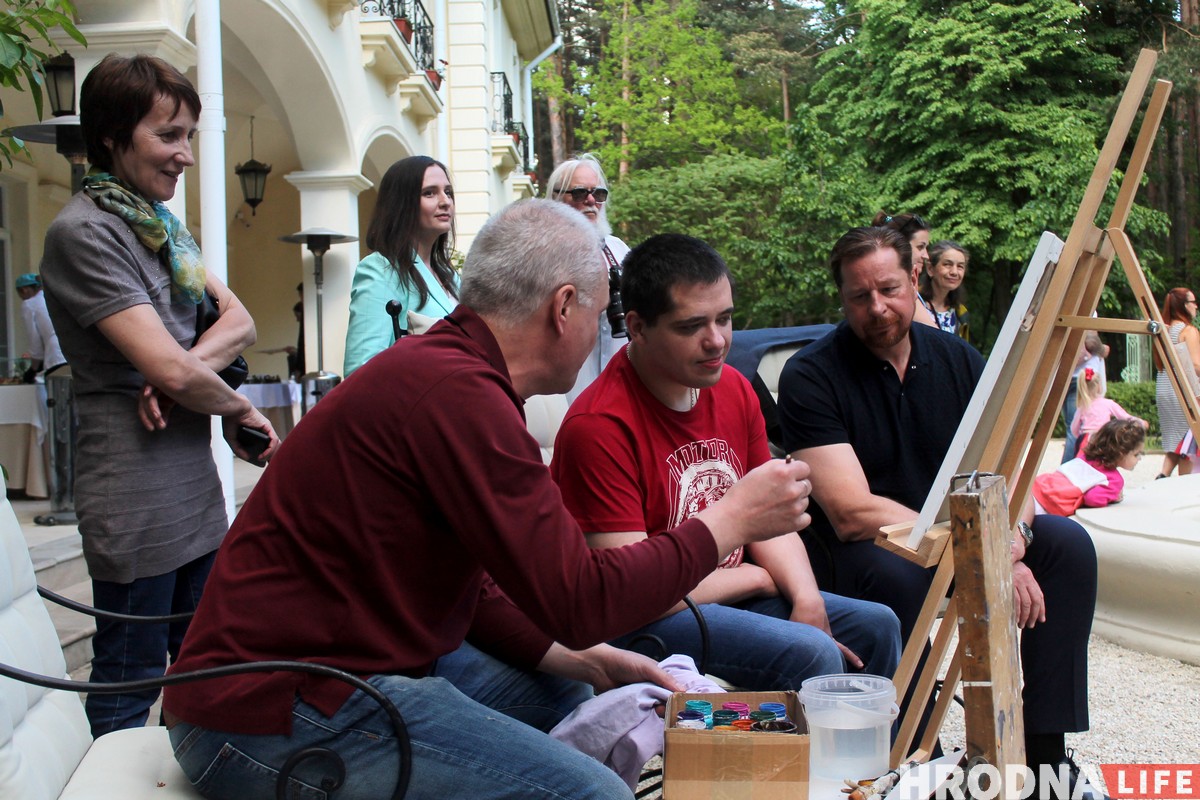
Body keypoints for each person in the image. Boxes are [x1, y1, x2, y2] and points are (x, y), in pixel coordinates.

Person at [162, 200, 813, 800]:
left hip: (330, 678)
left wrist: (589, 660)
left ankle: (714, 746)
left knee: (572, 691)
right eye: (599, 316)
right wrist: (729, 520)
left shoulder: (453, 377)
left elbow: (478, 591)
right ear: (563, 308)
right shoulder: (459, 396)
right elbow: (583, 602)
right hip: (275, 714)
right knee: (594, 795)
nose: (602, 335)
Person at [776, 226, 1103, 800]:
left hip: (958, 533)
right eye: (859, 296)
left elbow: (1010, 464)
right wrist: (980, 550)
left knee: (1067, 547)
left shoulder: (960, 360)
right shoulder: (811, 374)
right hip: (863, 552)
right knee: (900, 573)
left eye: (889, 289)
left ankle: (1044, 754)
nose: (877, 308)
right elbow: (851, 511)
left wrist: (1014, 539)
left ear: (914, 279)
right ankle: (916, 754)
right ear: (842, 297)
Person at [37, 54, 279, 737]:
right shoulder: (84, 232)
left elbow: (241, 322)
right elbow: (168, 369)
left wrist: (181, 374)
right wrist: (233, 403)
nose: (186, 155)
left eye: (189, 136)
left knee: (205, 675)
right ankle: (104, 781)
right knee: (128, 682)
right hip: (134, 498)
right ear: (112, 136)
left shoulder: (163, 230)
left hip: (193, 493)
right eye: (168, 135)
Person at [551, 233, 902, 692]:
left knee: (877, 626)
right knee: (809, 651)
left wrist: (806, 598)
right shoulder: (599, 426)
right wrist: (751, 578)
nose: (716, 341)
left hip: (724, 594)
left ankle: (874, 742)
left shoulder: (733, 389)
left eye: (725, 318)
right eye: (691, 326)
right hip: (648, 618)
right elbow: (626, 595)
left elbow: (773, 516)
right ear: (636, 327)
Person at [343, 155, 458, 376]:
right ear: (401, 204)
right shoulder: (381, 270)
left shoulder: (450, 277)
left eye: (448, 192)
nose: (445, 201)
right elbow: (361, 371)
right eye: (429, 193)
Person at [547, 153, 631, 401]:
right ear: (556, 198)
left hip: (620, 387)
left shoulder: (618, 250)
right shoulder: (543, 253)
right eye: (580, 193)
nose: (592, 200)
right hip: (566, 389)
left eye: (599, 193)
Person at [1154, 287, 1199, 478]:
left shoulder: (1164, 330)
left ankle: (1163, 476)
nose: (1196, 306)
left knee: (1177, 441)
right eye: (1193, 302)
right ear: (1184, 305)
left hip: (1165, 390)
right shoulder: (1188, 331)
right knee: (1189, 441)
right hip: (1183, 393)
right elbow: (1195, 366)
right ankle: (1183, 484)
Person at [873, 211, 937, 330]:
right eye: (920, 247)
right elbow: (936, 337)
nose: (926, 256)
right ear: (900, 246)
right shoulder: (903, 292)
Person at [1069, 366, 1147, 456]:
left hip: (1085, 440)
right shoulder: (1108, 403)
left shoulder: (1082, 407)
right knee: (1105, 460)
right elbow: (1124, 417)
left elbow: (1074, 428)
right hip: (1103, 438)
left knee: (1083, 462)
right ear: (1099, 386)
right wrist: (1140, 422)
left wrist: (1080, 435)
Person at [1061, 331, 1108, 463]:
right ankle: (1068, 466)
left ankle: (1070, 464)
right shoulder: (1087, 322)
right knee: (1074, 430)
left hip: (1069, 378)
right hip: (1082, 378)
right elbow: (1090, 347)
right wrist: (1095, 352)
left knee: (1072, 426)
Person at [1079, 418, 1146, 507]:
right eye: (1136, 454)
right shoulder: (1113, 480)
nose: (1139, 458)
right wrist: (1113, 496)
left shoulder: (1083, 459)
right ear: (1121, 453)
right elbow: (1091, 499)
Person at [15, 272, 66, 381]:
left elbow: (34, 340)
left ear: (24, 290)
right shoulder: (52, 298)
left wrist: (33, 368)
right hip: (73, 353)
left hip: (56, 355)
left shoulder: (29, 304)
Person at [919, 239, 970, 340]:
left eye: (960, 266)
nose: (954, 272)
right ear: (930, 269)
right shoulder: (914, 302)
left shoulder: (961, 313)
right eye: (947, 264)